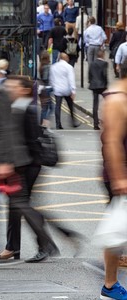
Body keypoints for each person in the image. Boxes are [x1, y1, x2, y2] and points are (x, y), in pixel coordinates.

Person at [0, 76, 59, 263]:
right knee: (16, 206)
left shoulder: (26, 109)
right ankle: (14, 247)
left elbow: (30, 142)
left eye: (12, 86)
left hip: (28, 167)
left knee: (22, 206)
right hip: (21, 166)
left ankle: (42, 245)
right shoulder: (17, 107)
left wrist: (17, 164)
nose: (8, 89)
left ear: (24, 90)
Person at [98, 76, 127, 299]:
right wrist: (119, 178)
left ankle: (110, 286)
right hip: (122, 176)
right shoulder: (117, 100)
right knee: (115, 232)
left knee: (117, 232)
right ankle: (110, 285)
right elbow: (112, 142)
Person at [50, 52, 79, 129]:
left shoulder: (53, 67)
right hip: (66, 89)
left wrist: (53, 86)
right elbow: (71, 79)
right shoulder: (69, 67)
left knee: (58, 106)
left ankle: (58, 124)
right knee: (70, 106)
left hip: (57, 89)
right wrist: (73, 90)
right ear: (65, 58)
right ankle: (73, 122)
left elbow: (52, 79)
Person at [88, 49, 108, 130]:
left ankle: (95, 124)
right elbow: (104, 74)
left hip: (94, 85)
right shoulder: (104, 63)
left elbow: (89, 74)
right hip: (102, 86)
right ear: (103, 55)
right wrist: (106, 84)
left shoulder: (92, 63)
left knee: (95, 105)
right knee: (108, 103)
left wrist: (90, 82)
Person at [38, 51, 54, 127]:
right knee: (51, 108)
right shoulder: (47, 66)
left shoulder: (41, 65)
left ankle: (41, 124)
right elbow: (45, 78)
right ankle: (45, 122)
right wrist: (52, 87)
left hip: (41, 89)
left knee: (44, 108)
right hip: (46, 89)